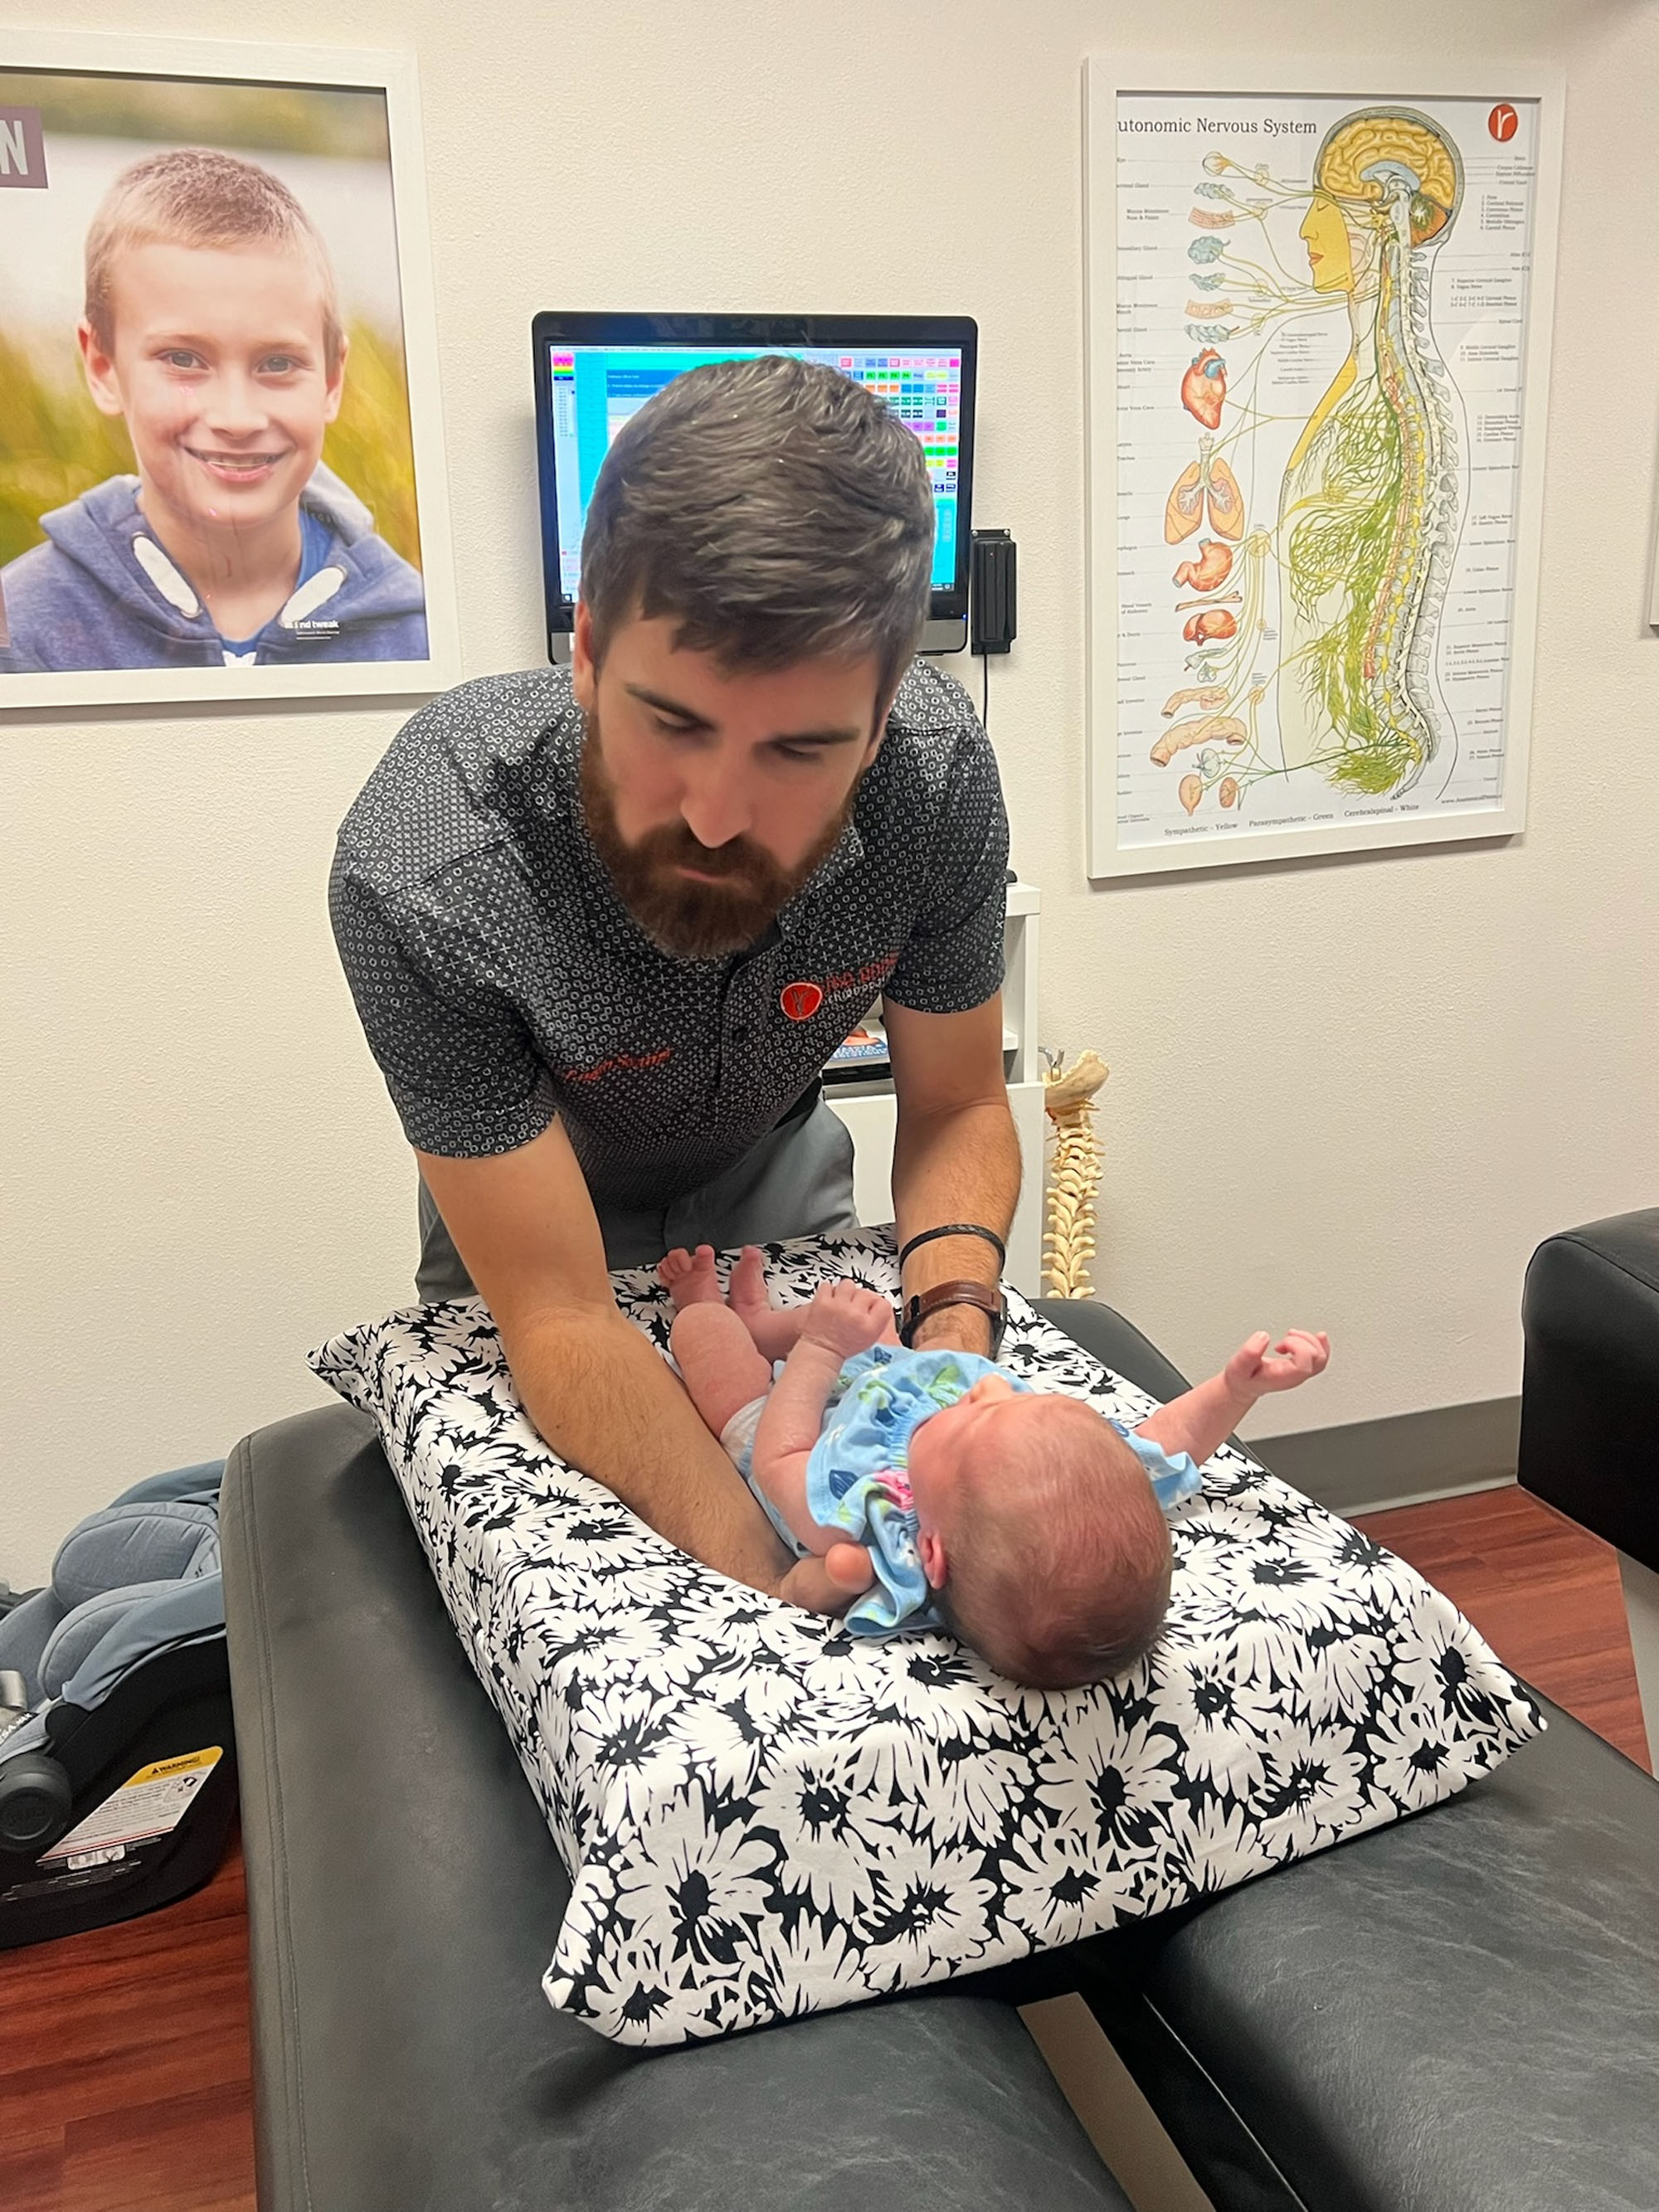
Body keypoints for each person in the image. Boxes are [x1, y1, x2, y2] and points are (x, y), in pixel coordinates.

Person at [329, 354, 1020, 1616]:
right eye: (674, 725)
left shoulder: (940, 779)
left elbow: (962, 1108)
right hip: (540, 1215)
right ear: (587, 650)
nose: (715, 816)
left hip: (779, 1173)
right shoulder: (426, 866)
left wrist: (953, 1361)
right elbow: (562, 1316)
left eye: (801, 751)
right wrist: (783, 1583)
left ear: (879, 722)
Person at [663, 1242, 1331, 1682]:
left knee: (713, 1350)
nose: (986, 1387)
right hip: (887, 1381)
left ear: (930, 1550)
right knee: (875, 1325)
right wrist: (1237, 1390)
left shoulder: (870, 1530)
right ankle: (762, 1319)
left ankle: (708, 1306)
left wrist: (816, 1352)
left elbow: (786, 1456)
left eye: (976, 1416)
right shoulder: (1077, 1500)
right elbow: (1166, 1442)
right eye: (1007, 1402)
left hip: (795, 1421)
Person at [0, 147, 426, 673]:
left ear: (332, 380)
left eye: (277, 363)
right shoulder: (21, 634)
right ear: (103, 366)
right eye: (183, 360)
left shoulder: (415, 632)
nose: (237, 417)